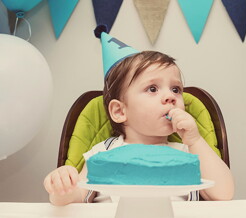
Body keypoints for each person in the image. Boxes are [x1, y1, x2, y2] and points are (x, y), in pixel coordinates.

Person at [44, 32, 234, 205]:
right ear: (119, 111)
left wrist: (195, 140)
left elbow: (224, 194)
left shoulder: (189, 153)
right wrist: (62, 188)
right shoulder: (103, 153)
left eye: (176, 89)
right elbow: (77, 197)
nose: (171, 96)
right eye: (152, 89)